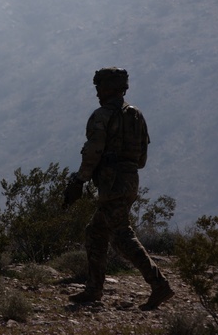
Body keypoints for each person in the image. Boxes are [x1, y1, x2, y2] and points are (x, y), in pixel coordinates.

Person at [62, 67, 173, 311]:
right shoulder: (136, 116)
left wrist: (79, 180)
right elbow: (142, 158)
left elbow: (93, 151)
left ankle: (159, 284)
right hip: (130, 180)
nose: (97, 92)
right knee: (96, 232)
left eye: (100, 87)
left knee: (122, 235)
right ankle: (94, 289)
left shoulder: (101, 116)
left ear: (111, 87)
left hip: (111, 183)